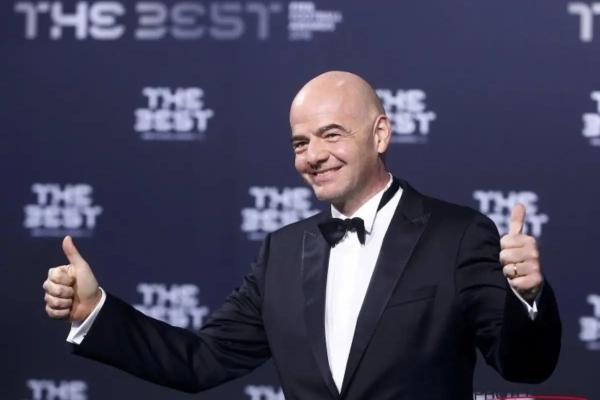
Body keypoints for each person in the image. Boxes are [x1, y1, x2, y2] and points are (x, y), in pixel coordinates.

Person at [43, 71, 561, 400]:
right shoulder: (282, 252)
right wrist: (94, 311)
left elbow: (525, 366)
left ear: (380, 134)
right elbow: (200, 361)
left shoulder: (459, 234)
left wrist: (528, 297)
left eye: (331, 134)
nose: (313, 155)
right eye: (299, 142)